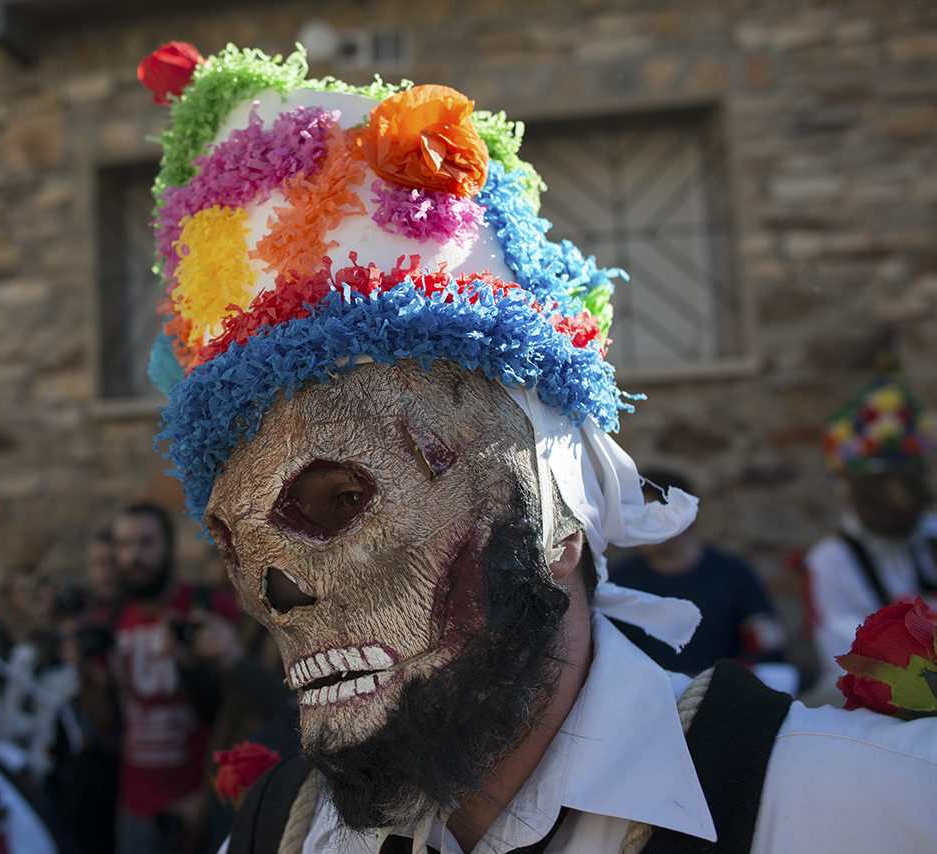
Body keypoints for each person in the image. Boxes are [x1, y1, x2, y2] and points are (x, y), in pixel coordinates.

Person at [135, 42, 937, 854]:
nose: (276, 594)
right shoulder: (283, 834)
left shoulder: (869, 808)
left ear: (555, 520)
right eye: (236, 544)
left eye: (341, 498)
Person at [109, 503, 241, 854]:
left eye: (146, 542)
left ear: (169, 548)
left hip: (201, 805)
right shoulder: (114, 619)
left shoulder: (211, 606)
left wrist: (210, 795)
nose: (134, 555)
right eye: (123, 545)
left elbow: (245, 709)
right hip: (134, 808)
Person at [805, 377, 937, 699]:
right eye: (879, 489)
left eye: (904, 484)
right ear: (851, 492)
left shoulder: (932, 534)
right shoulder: (830, 561)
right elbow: (850, 661)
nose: (895, 501)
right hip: (872, 705)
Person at [608, 469, 787, 676]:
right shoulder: (619, 582)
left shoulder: (733, 574)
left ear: (680, 514)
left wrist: (719, 681)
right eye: (631, 515)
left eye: (647, 515)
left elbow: (768, 647)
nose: (636, 525)